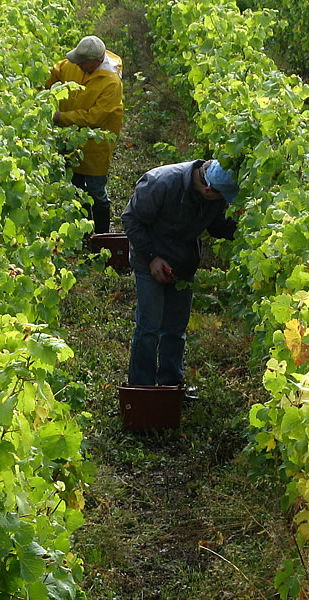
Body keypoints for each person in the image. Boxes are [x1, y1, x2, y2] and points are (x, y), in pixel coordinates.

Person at [122, 159, 239, 388]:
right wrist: (152, 257)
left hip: (183, 262)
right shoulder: (160, 183)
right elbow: (131, 219)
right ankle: (141, 389)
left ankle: (170, 385)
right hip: (149, 259)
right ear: (208, 189)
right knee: (149, 328)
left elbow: (217, 226)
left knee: (175, 329)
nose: (224, 202)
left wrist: (247, 234)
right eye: (222, 197)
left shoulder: (213, 195)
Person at [48, 35, 124, 235]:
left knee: (97, 192)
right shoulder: (76, 63)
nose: (78, 65)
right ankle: (80, 231)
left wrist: (60, 117)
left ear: (97, 61)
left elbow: (94, 118)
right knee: (74, 186)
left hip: (95, 146)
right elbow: (56, 72)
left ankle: (101, 237)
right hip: (69, 139)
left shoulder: (111, 82)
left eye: (82, 63)